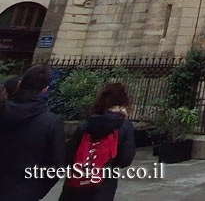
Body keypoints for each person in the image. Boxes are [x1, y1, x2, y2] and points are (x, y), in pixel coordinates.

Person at [60, 82, 136, 200]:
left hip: (76, 183)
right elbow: (125, 159)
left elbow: (68, 155)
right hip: (103, 185)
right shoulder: (125, 126)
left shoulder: (86, 124)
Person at [0, 64, 66, 201]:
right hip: (25, 193)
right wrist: (35, 191)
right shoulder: (52, 122)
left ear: (19, 85)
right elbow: (56, 167)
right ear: (45, 90)